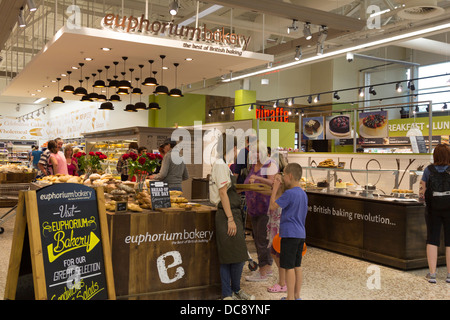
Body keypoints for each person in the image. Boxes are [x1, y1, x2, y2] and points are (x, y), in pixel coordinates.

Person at [209, 133, 254, 300]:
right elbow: (222, 193)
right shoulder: (220, 165)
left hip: (232, 212)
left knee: (239, 256)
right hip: (226, 214)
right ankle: (228, 293)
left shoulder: (223, 165)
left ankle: (236, 289)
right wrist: (230, 219)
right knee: (229, 256)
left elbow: (227, 190)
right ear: (233, 148)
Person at [269, 163, 308, 300]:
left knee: (288, 267)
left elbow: (272, 206)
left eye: (284, 175)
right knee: (297, 265)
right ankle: (297, 296)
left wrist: (275, 188)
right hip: (300, 234)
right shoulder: (303, 193)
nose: (284, 178)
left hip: (289, 234)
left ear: (290, 176)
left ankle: (290, 297)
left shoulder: (290, 194)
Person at [244, 142, 276, 281]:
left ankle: (263, 271)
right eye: (252, 152)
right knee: (257, 238)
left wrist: (257, 178)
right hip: (253, 207)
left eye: (256, 152)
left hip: (265, 207)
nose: (254, 154)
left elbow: (273, 183)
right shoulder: (253, 165)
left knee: (263, 240)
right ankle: (266, 268)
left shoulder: (270, 164)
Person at [419, 144, 450, 284]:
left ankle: (432, 275)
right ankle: (449, 275)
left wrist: (422, 198)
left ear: (435, 155)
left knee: (432, 239)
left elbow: (422, 190)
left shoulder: (428, 170)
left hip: (433, 209)